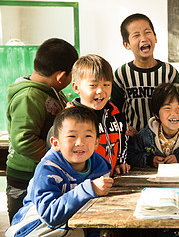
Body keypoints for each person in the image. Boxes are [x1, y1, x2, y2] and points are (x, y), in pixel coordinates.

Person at [6, 106, 113, 237]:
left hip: (73, 227)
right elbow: (50, 215)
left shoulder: (99, 166)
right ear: (55, 143)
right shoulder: (47, 169)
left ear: (97, 142)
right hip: (36, 227)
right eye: (72, 136)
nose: (80, 142)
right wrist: (88, 189)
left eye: (88, 135)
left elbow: (95, 215)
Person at [6, 38, 78, 223]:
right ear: (62, 76)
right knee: (25, 224)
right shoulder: (29, 96)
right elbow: (24, 140)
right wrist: (55, 157)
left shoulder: (52, 90)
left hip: (43, 172)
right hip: (25, 177)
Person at [111, 13, 179, 133]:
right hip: (132, 141)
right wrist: (124, 129)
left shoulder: (169, 72)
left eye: (147, 32)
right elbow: (115, 110)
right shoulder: (121, 74)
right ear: (126, 44)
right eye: (136, 35)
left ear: (155, 37)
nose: (144, 38)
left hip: (165, 140)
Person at [69, 54, 130, 176]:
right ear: (76, 88)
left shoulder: (115, 114)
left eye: (106, 85)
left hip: (111, 182)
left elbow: (123, 139)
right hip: (83, 186)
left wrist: (120, 162)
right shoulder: (70, 120)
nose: (100, 91)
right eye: (93, 85)